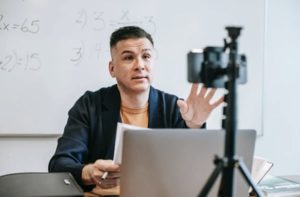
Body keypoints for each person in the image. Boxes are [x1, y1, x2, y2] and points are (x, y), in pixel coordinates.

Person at [48, 26, 223, 192]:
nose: (140, 65)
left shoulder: (175, 107)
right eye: (128, 57)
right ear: (112, 69)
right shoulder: (89, 105)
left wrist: (194, 127)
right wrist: (89, 172)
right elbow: (59, 165)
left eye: (146, 56)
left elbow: (193, 172)